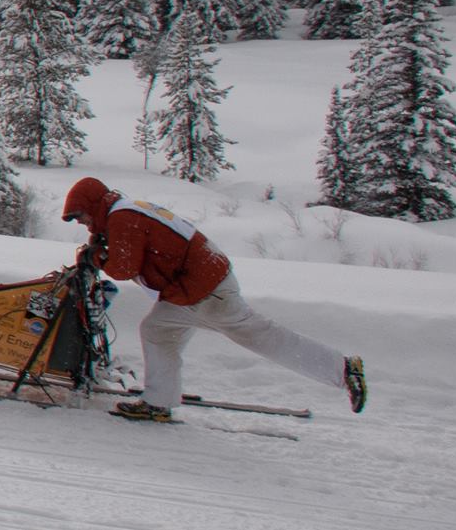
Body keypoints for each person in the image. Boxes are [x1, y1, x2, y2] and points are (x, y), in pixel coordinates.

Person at [61, 176, 366, 422]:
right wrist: (99, 246)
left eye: (82, 216)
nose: (83, 223)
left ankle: (158, 402)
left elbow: (124, 268)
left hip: (202, 288)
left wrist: (96, 257)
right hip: (203, 281)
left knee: (257, 336)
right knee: (161, 330)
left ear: (92, 205)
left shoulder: (122, 219)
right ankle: (159, 400)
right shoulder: (125, 211)